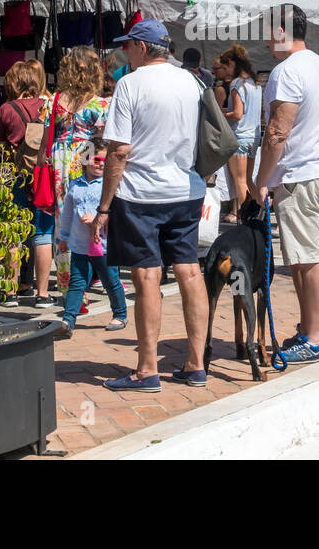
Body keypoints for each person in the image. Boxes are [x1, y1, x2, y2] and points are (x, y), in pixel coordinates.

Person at [95, 20, 208, 392]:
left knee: (147, 275)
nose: (124, 53)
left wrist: (104, 206)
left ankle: (147, 369)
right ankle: (195, 364)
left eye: (128, 46)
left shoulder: (130, 84)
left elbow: (119, 151)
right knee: (190, 272)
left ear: (143, 48)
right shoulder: (191, 81)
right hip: (185, 189)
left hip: (141, 193)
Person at [250, 5, 319, 364]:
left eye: (270, 30)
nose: (266, 38)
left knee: (307, 257)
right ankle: (307, 329)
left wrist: (260, 179)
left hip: (301, 173)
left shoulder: (287, 71)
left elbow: (277, 131)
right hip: (318, 168)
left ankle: (315, 338)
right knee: (302, 257)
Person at [41, 46, 108, 310]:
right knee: (89, 225)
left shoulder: (53, 101)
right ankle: (93, 282)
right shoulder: (100, 104)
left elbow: (45, 142)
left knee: (63, 229)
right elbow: (103, 142)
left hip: (58, 163)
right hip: (87, 160)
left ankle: (71, 290)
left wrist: (40, 170)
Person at [56, 138, 127, 338]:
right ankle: (68, 320)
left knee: (111, 280)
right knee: (77, 282)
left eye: (105, 160)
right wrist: (64, 238)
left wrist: (98, 218)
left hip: (104, 246)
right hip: (79, 246)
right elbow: (68, 214)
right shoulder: (75, 186)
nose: (101, 164)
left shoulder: (110, 185)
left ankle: (120, 314)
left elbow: (116, 212)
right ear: (85, 159)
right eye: (96, 159)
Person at [0, 60, 53, 306]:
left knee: (13, 235)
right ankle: (43, 294)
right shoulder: (49, 106)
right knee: (43, 235)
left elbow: (1, 143)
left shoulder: (7, 109)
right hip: (43, 175)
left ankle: (10, 292)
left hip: (15, 175)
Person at [215, 45, 260, 222]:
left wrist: (220, 113)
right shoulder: (255, 84)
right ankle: (259, 216)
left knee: (239, 181)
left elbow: (237, 114)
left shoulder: (237, 84)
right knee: (249, 180)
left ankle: (245, 219)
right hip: (254, 137)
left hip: (239, 136)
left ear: (232, 64)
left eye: (225, 68)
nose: (225, 72)